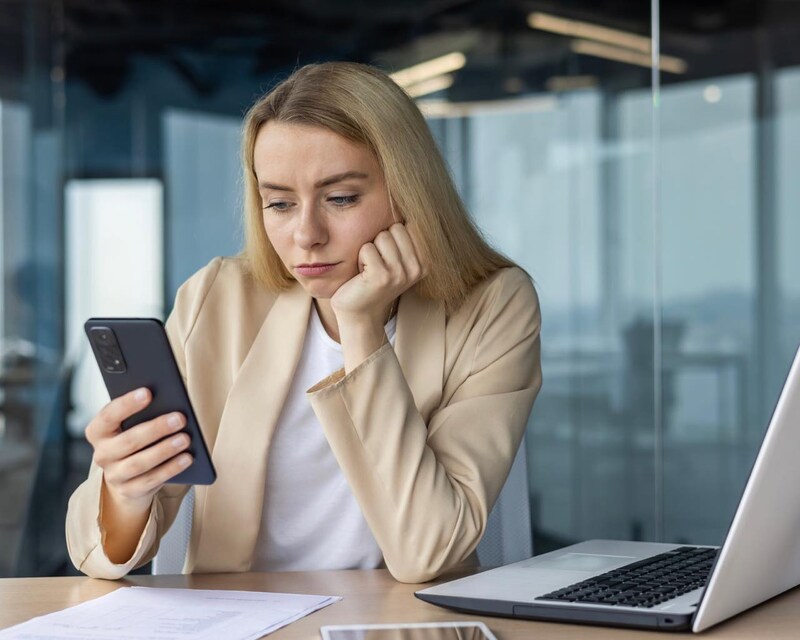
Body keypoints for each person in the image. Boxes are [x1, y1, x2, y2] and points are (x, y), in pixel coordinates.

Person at [66, 61, 542, 583]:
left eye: (340, 198)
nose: (306, 234)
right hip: (238, 622)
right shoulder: (218, 298)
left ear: (412, 192)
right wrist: (125, 492)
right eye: (279, 203)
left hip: (398, 624)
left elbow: (429, 553)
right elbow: (95, 555)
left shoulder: (493, 304)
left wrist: (360, 327)